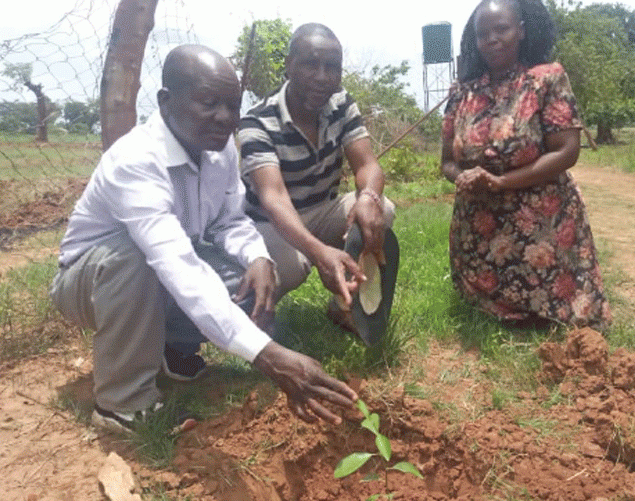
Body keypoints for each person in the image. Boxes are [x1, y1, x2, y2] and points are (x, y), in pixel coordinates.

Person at [50, 45, 357, 434]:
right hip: (92, 283)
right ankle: (122, 404)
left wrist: (258, 258)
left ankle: (173, 351)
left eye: (232, 106)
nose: (225, 118)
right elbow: (177, 266)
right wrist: (268, 355)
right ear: (166, 101)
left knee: (249, 277)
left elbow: (230, 221)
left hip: (157, 273)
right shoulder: (136, 160)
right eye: (209, 104)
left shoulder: (220, 151)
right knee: (133, 257)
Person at [440, 0, 611, 329]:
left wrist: (503, 182)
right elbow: (447, 162)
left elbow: (566, 151)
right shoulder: (462, 93)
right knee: (484, 312)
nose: (491, 39)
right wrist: (464, 177)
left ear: (521, 30)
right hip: (480, 226)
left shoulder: (546, 79)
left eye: (501, 29)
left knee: (567, 318)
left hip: (541, 218)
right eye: (482, 34)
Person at [237, 23, 395, 330]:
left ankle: (345, 306)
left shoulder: (341, 104)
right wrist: (319, 252)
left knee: (381, 209)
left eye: (332, 68)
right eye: (311, 64)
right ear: (289, 66)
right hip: (271, 224)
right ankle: (240, 320)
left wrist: (368, 197)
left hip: (320, 210)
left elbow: (367, 166)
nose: (322, 77)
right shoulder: (257, 121)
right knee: (293, 267)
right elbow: (274, 199)